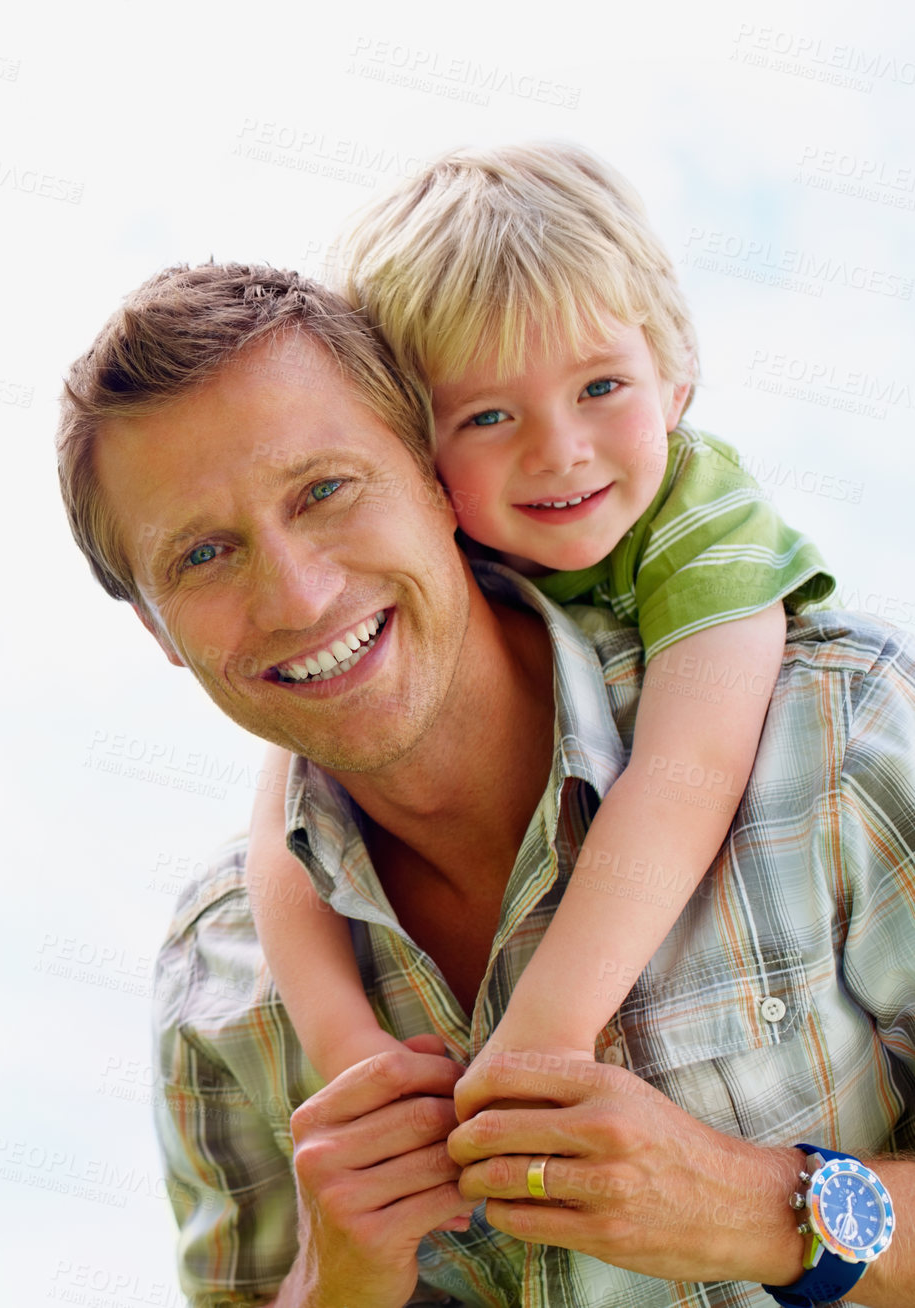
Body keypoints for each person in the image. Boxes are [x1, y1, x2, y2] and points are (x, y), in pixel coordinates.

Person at [55, 261, 915, 1306]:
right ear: (158, 630)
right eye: (202, 554)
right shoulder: (218, 982)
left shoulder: (838, 734)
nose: (297, 596)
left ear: (435, 478)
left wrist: (751, 1208)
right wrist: (336, 1280)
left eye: (324, 490)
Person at [242, 144, 835, 1119]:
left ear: (674, 376)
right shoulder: (417, 555)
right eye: (485, 416)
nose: (558, 449)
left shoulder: (701, 512)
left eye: (602, 388)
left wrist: (546, 1031)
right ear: (408, 451)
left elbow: (691, 769)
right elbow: (287, 817)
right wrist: (345, 1044)